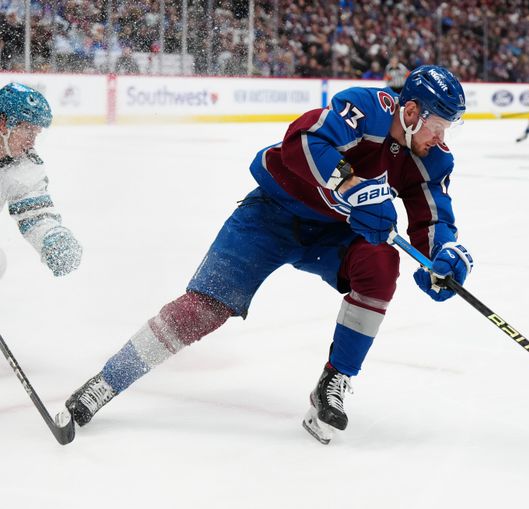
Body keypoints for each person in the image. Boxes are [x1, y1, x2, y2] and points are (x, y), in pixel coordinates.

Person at [62, 65, 473, 445]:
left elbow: (432, 215)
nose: (441, 138)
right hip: (270, 217)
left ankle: (334, 380)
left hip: (332, 235)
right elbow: (304, 143)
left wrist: (444, 254)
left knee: (381, 265)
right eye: (437, 126)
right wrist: (351, 187)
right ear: (412, 111)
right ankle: (108, 380)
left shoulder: (431, 158)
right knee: (204, 307)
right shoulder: (368, 109)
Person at [0, 82, 81, 280]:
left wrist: (51, 236)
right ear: (3, 124)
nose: (32, 142)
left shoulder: (24, 165)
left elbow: (35, 214)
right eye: (28, 130)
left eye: (36, 133)